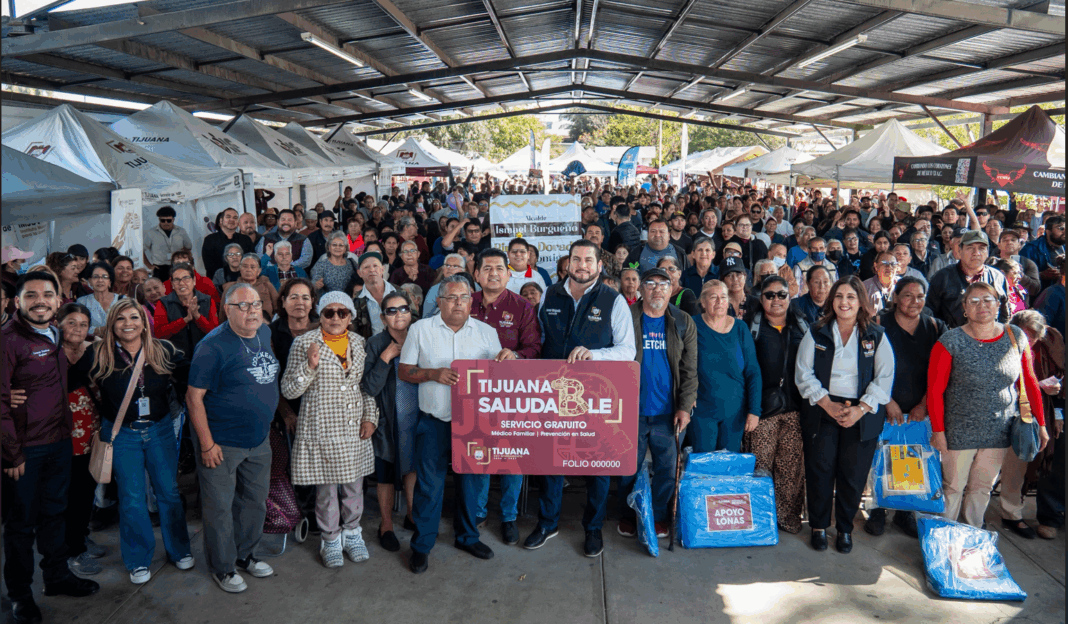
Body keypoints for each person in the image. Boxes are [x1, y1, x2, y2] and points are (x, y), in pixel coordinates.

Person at [527, 240, 636, 558]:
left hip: (596, 396)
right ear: (568, 263)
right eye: (577, 259)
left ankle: (593, 528)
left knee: (598, 464)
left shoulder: (613, 301)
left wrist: (594, 354)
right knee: (551, 460)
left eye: (589, 259)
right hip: (553, 393)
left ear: (600, 266)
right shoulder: (550, 294)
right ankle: (547, 523)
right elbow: (542, 338)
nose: (583, 265)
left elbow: (628, 351)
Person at [2, 272, 100, 623]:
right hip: (24, 450)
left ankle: (57, 576)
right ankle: (20, 594)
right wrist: (11, 453)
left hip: (59, 442)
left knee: (54, 514)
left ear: (58, 301)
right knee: (19, 525)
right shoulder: (8, 340)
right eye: (31, 295)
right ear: (18, 302)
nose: (40, 300)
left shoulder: (56, 333)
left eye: (47, 294)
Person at [399, 276, 504, 573]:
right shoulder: (421, 330)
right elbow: (405, 371)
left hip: (475, 425)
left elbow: (499, 376)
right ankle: (422, 546)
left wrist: (509, 359)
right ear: (439, 302)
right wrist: (433, 374)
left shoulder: (487, 333)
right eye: (452, 297)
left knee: (471, 485)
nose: (458, 303)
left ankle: (467, 537)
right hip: (433, 422)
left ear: (472, 302)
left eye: (464, 298)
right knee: (429, 487)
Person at [928, 282, 1048, 528]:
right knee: (953, 487)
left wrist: (1042, 424)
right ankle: (944, 538)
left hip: (999, 430)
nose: (981, 305)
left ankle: (972, 535)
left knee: (982, 488)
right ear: (964, 308)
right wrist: (938, 431)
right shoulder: (950, 341)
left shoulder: (1016, 336)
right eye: (973, 301)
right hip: (958, 429)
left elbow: (1030, 382)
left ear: (998, 305)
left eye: (987, 299)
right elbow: (935, 391)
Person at [91, 299, 194, 584]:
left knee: (169, 493)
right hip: (122, 434)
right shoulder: (101, 354)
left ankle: (179, 550)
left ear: (144, 322)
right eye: (121, 318)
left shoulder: (163, 350)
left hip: (160, 430)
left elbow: (194, 371)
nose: (128, 324)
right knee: (132, 498)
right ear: (112, 323)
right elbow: (65, 377)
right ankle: (138, 560)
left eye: (134, 317)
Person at [186, 283, 280, 593]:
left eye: (255, 304)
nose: (252, 310)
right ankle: (223, 568)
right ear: (227, 310)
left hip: (258, 440)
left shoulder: (263, 333)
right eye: (243, 305)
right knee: (220, 509)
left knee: (254, 503)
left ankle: (245, 556)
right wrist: (207, 444)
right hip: (222, 443)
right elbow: (193, 398)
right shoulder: (212, 347)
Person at [796, 276, 895, 554]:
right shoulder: (816, 332)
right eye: (839, 296)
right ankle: (818, 527)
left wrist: (860, 409)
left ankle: (844, 529)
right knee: (821, 470)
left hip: (861, 413)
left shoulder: (876, 335)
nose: (844, 302)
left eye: (851, 297)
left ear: (861, 301)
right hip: (823, 409)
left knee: (852, 475)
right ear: (832, 301)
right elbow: (803, 374)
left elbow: (885, 377)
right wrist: (827, 404)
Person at [281, 292, 378, 568]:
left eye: (342, 312)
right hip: (321, 430)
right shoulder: (303, 343)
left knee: (354, 487)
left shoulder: (360, 343)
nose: (335, 317)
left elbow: (365, 388)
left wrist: (370, 417)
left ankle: (352, 533)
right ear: (320, 315)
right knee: (326, 491)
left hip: (352, 430)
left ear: (351, 317)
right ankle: (330, 539)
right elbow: (288, 389)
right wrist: (310, 366)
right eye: (329, 312)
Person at [864, 277, 947, 539]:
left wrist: (924, 404)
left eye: (920, 296)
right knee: (881, 457)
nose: (915, 301)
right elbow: (866, 367)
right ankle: (878, 510)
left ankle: (904, 512)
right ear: (896, 298)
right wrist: (887, 401)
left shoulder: (934, 326)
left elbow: (942, 371)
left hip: (920, 408)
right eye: (908, 296)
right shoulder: (878, 324)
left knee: (912, 460)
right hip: (882, 403)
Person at [470, 249, 543, 544]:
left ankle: (509, 516)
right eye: (486, 268)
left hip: (513, 394)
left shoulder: (522, 306)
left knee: (511, 456)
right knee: (479, 453)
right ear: (476, 275)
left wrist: (514, 354)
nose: (493, 273)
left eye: (499, 268)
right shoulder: (466, 302)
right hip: (473, 393)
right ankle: (477, 512)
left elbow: (535, 348)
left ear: (508, 273)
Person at [618, 268, 697, 539]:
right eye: (650, 283)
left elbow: (690, 370)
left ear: (672, 288)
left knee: (666, 468)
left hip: (668, 412)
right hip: (631, 410)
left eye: (664, 284)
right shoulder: (627, 317)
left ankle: (659, 515)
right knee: (627, 466)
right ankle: (628, 514)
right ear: (640, 288)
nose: (657, 289)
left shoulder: (683, 321)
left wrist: (685, 407)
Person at [746, 275, 808, 534]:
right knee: (761, 466)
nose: (775, 300)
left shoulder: (803, 326)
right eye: (769, 295)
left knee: (790, 468)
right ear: (761, 299)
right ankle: (760, 520)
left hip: (796, 410)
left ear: (789, 296)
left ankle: (787, 518)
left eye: (781, 294)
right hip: (763, 412)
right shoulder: (752, 327)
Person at [996, 310, 1064, 540]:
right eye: (1026, 334)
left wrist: (1055, 410)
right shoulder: (1000, 341)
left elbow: (1057, 379)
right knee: (986, 465)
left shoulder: (1047, 348)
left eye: (1035, 336)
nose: (1030, 340)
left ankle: (1012, 513)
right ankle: (972, 512)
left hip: (1030, 415)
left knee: (1018, 464)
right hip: (998, 411)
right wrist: (1035, 387)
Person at [361, 291, 420, 552]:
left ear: (411, 312)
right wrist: (386, 358)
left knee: (412, 469)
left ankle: (411, 515)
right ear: (383, 317)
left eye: (403, 309)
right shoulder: (375, 344)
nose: (399, 314)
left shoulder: (422, 338)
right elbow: (369, 387)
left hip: (417, 417)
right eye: (392, 310)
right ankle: (386, 525)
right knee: (385, 475)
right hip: (387, 420)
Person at [691, 280, 762, 452]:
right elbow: (681, 365)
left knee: (728, 469)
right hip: (702, 410)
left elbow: (752, 370)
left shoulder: (740, 328)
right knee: (703, 469)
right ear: (703, 302)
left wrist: (754, 410)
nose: (719, 302)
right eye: (713, 297)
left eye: (723, 297)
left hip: (734, 412)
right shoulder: (692, 325)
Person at [153, 263, 219, 391]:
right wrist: (185, 320)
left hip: (204, 360)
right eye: (176, 280)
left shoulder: (207, 300)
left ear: (194, 280)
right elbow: (160, 334)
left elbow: (214, 333)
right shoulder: (164, 303)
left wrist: (197, 317)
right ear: (171, 284)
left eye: (186, 278)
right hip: (175, 364)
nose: (181, 283)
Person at [927, 230, 1011, 328]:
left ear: (987, 252)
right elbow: (930, 314)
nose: (976, 253)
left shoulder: (998, 277)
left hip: (989, 338)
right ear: (960, 251)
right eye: (970, 248)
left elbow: (1005, 315)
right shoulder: (942, 277)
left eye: (981, 248)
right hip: (952, 338)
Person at [221, 254, 279, 322]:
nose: (248, 270)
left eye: (252, 267)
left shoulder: (267, 286)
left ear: (259, 271)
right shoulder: (231, 288)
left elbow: (278, 309)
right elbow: (223, 314)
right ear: (240, 269)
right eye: (245, 266)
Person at [353, 252, 398, 337]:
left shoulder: (399, 292)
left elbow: (413, 318)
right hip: (371, 348)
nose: (372, 270)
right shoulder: (356, 301)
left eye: (375, 266)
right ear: (359, 273)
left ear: (382, 269)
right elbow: (355, 331)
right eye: (366, 267)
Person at [143, 206, 193, 281]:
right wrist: (149, 265)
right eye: (163, 220)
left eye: (168, 220)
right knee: (160, 291)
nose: (166, 223)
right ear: (159, 220)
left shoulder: (181, 231)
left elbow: (188, 247)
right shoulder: (151, 233)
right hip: (159, 268)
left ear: (173, 219)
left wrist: (183, 259)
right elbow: (142, 250)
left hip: (177, 265)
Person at [202, 208, 254, 279]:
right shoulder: (210, 240)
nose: (232, 220)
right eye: (228, 217)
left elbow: (252, 261)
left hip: (244, 281)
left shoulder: (246, 239)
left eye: (235, 218)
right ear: (221, 221)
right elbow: (210, 267)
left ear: (238, 222)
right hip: (219, 284)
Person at [77, 261, 124, 338]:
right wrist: (98, 330)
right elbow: (79, 326)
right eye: (95, 277)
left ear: (110, 282)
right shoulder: (82, 302)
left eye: (105, 277)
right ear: (90, 281)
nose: (100, 280)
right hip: (92, 346)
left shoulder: (122, 300)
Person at [623, 219, 688, 274]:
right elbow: (626, 275)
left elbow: (686, 277)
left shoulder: (680, 253)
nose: (657, 235)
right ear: (648, 234)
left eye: (661, 232)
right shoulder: (637, 252)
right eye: (653, 231)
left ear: (668, 235)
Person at [1020, 214, 1064, 290]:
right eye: (1061, 228)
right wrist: (1041, 275)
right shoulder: (1031, 249)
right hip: (1041, 295)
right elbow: (1020, 276)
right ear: (1048, 231)